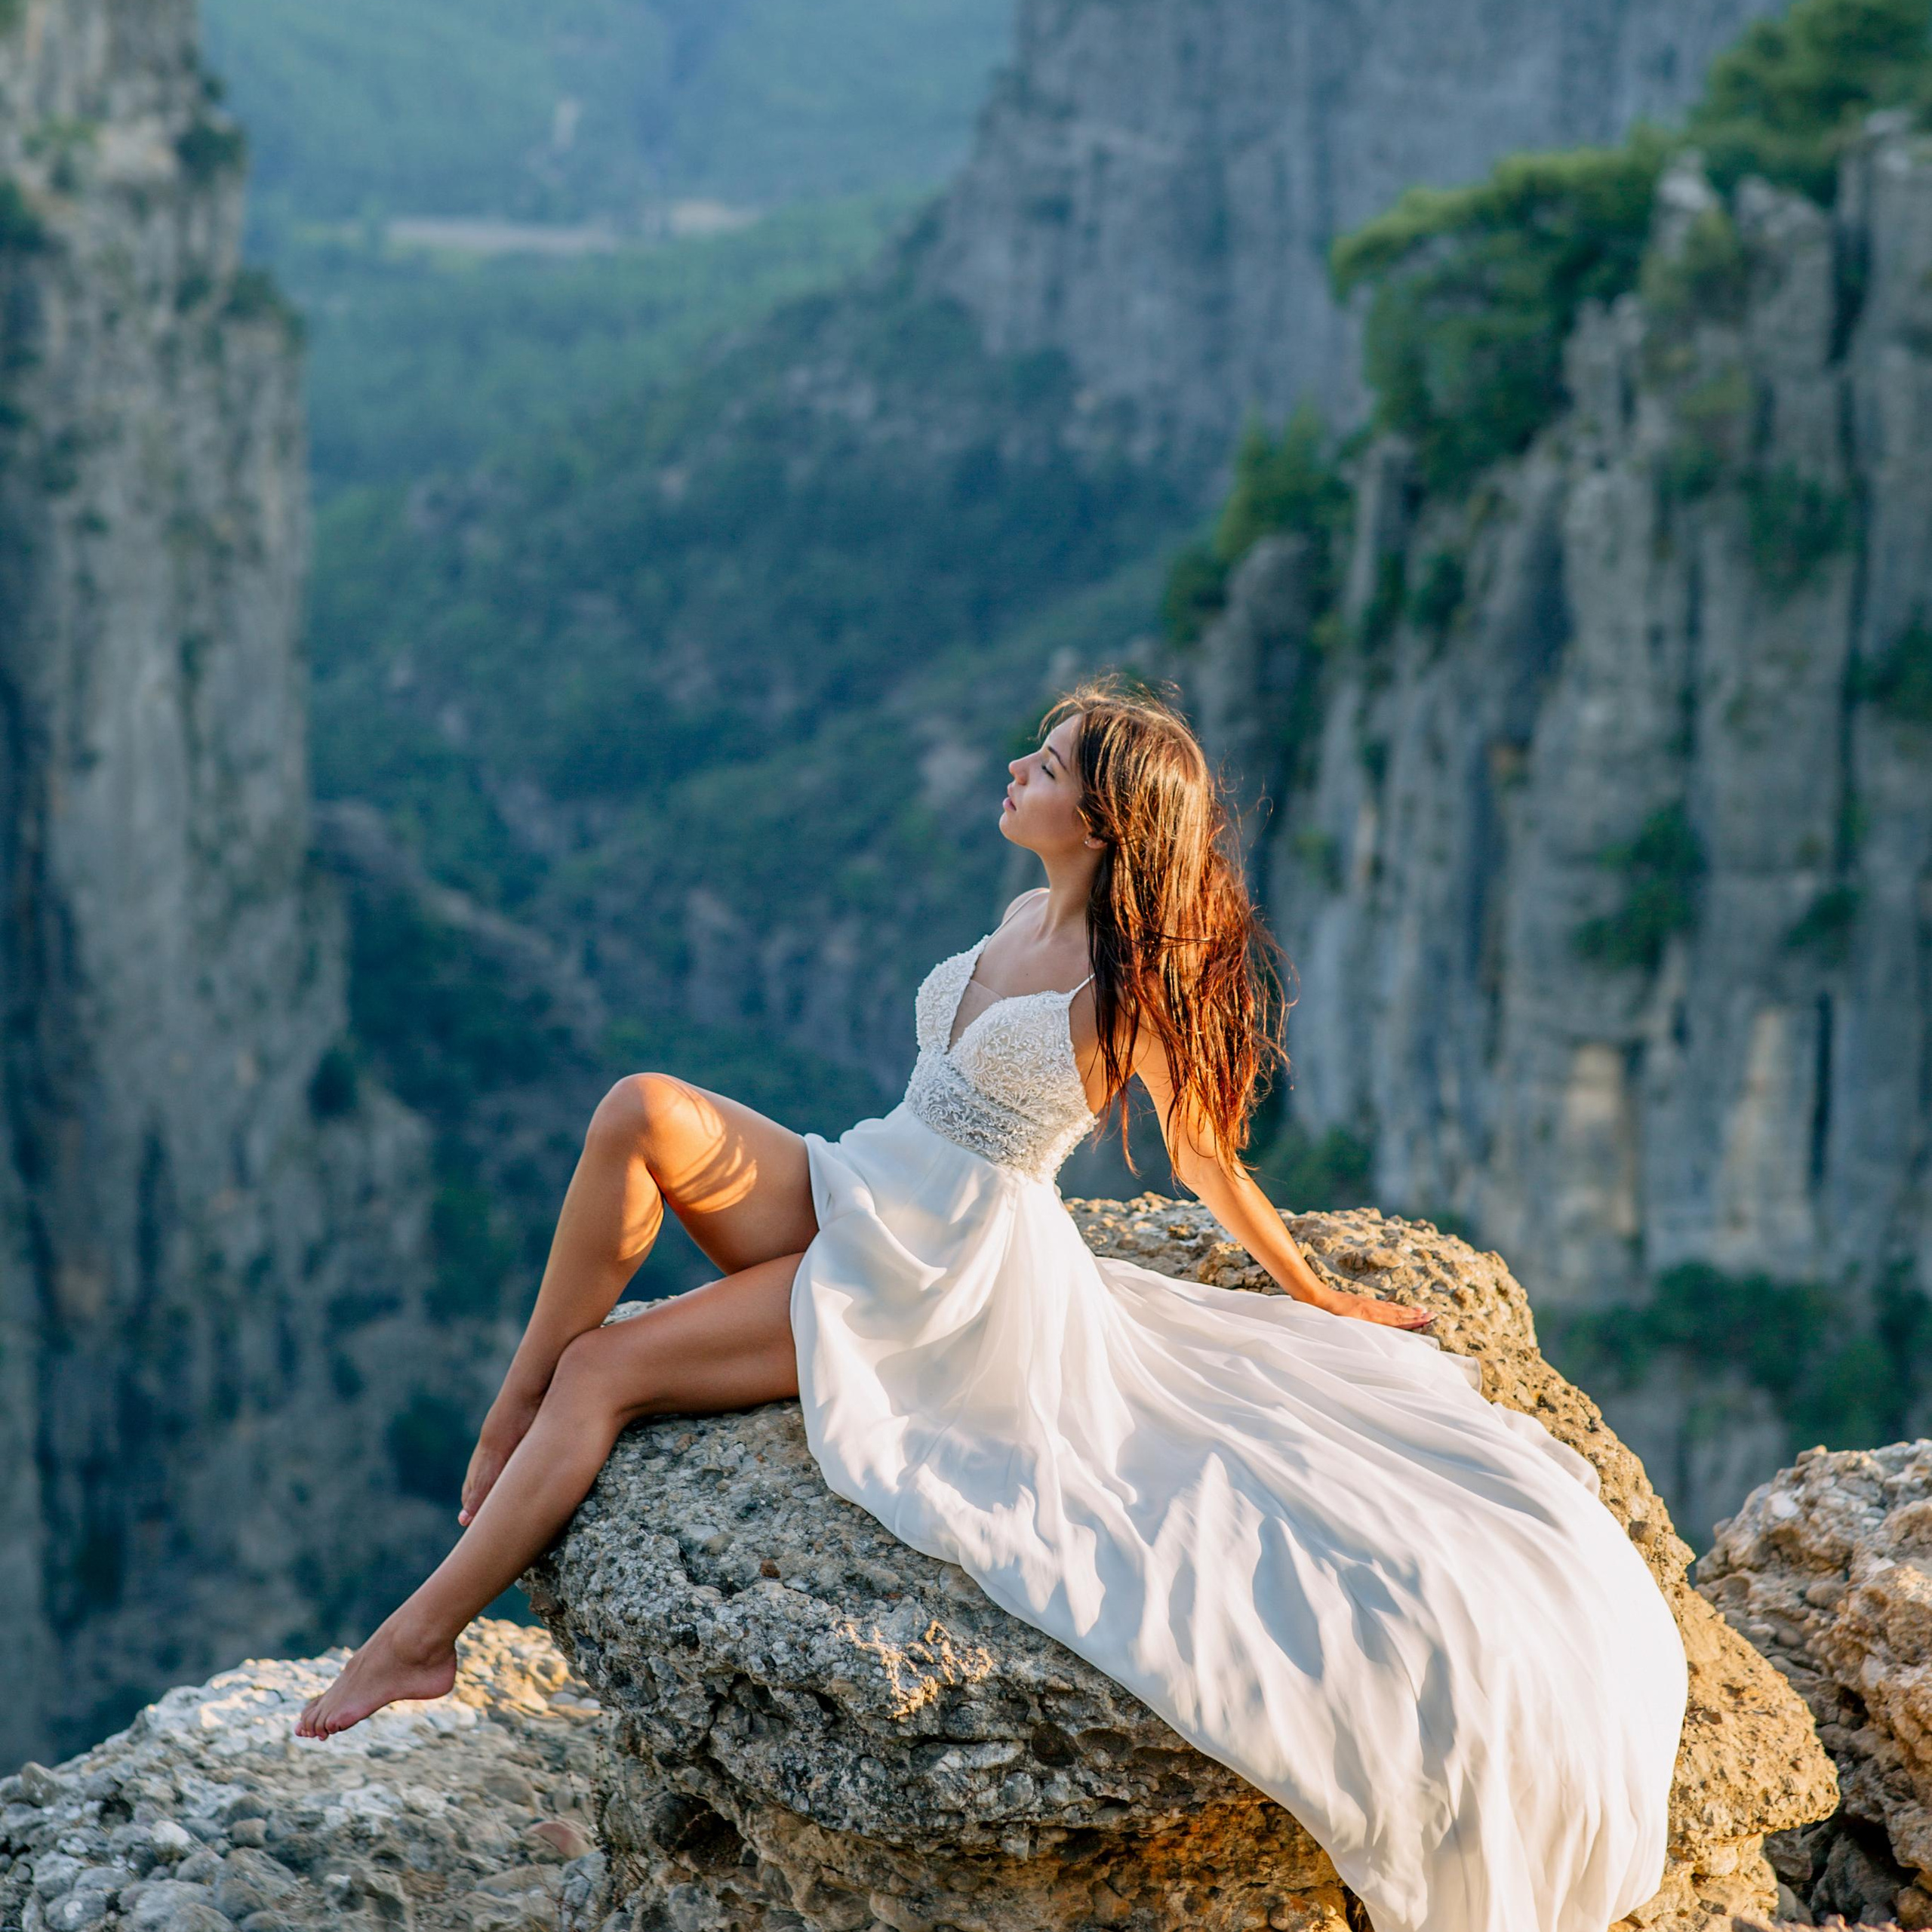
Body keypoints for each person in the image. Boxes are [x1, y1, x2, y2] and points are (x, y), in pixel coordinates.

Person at [296, 674, 1688, 1932]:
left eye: (1049, 762)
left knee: (612, 1372)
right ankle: (513, 1397)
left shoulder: (1124, 985)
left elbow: (1206, 1157)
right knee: (640, 1111)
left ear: (1103, 815)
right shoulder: (1025, 912)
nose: (1016, 770)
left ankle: (419, 1641)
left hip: (941, 1276)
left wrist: (1317, 1291)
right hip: (866, 1182)